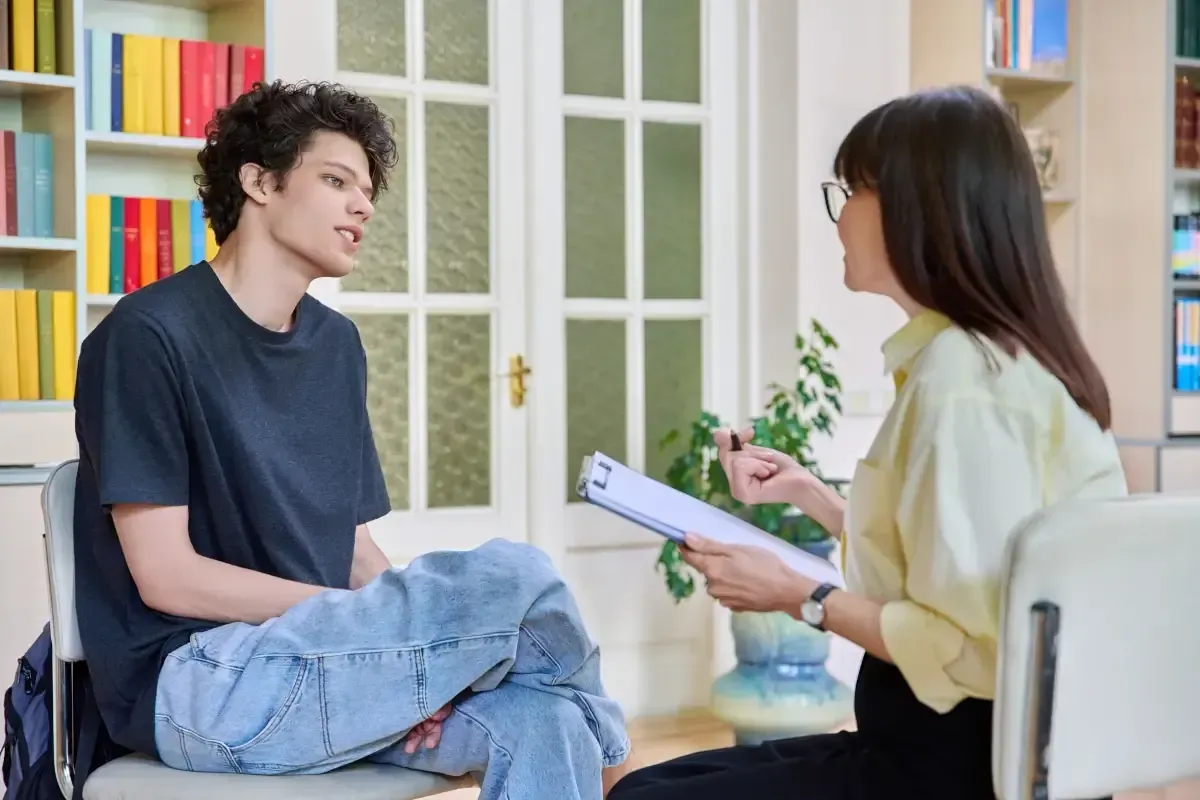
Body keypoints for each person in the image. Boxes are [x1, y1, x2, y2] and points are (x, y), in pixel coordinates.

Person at [72, 79, 633, 800]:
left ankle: (606, 756)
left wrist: (412, 664)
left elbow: (356, 552)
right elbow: (166, 576)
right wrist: (367, 632)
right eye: (335, 180)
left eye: (366, 190)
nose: (362, 206)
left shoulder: (336, 346)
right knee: (514, 576)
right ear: (259, 182)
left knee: (545, 721)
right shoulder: (147, 337)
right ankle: (628, 771)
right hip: (197, 685)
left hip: (330, 659)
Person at [609, 85, 1127, 799]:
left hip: (951, 771)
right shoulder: (982, 363)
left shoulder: (965, 384)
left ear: (916, 209)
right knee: (655, 784)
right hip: (940, 748)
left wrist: (801, 595)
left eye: (852, 190)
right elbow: (950, 566)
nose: (839, 214)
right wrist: (814, 498)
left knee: (645, 796)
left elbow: (970, 647)